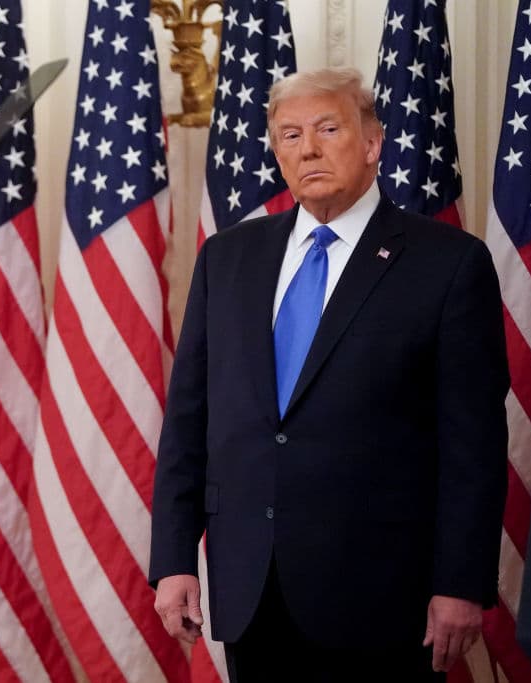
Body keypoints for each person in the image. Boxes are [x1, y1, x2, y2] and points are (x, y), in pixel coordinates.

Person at [149, 67, 509, 683]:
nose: (307, 148)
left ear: (372, 143)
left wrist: (461, 584)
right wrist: (174, 560)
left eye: (326, 128)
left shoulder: (447, 264)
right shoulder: (228, 258)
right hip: (251, 591)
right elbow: (189, 422)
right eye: (288, 135)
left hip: (383, 598)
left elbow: (473, 445)